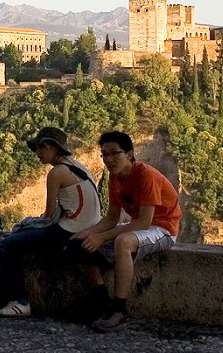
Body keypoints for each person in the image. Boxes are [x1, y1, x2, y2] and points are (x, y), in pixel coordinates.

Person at [72, 131, 181, 332]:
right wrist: (88, 233)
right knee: (78, 244)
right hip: (143, 227)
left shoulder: (145, 175)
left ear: (129, 154)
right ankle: (103, 304)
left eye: (115, 153)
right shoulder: (115, 179)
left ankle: (119, 311)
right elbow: (112, 218)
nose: (109, 160)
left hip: (163, 228)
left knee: (123, 241)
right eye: (104, 155)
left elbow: (144, 222)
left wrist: (102, 237)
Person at [0, 127, 102, 317]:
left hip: (69, 230)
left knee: (7, 244)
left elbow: (49, 215)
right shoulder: (78, 166)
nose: (38, 153)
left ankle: (19, 301)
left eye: (41, 148)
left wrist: (25, 226)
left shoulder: (56, 173)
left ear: (53, 148)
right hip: (89, 226)